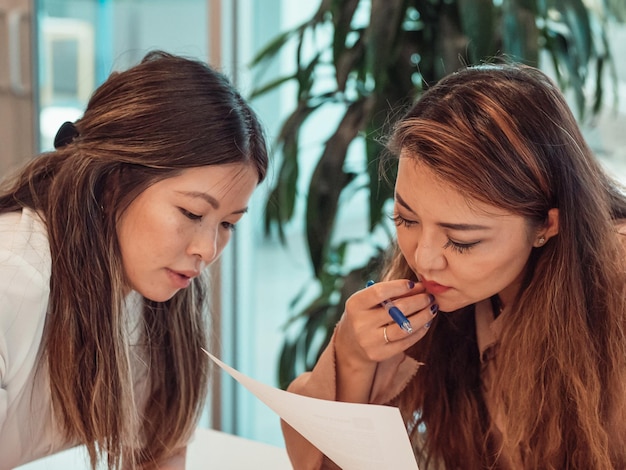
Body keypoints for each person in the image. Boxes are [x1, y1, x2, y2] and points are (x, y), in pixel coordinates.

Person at [281, 62, 626, 469]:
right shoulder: (428, 285)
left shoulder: (615, 289)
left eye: (462, 241)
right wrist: (354, 359)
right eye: (406, 219)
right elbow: (316, 462)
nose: (423, 258)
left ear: (548, 224)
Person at [0, 51, 268, 469]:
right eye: (193, 214)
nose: (208, 250)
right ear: (112, 183)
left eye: (228, 224)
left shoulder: (151, 287)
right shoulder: (11, 275)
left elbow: (160, 456)